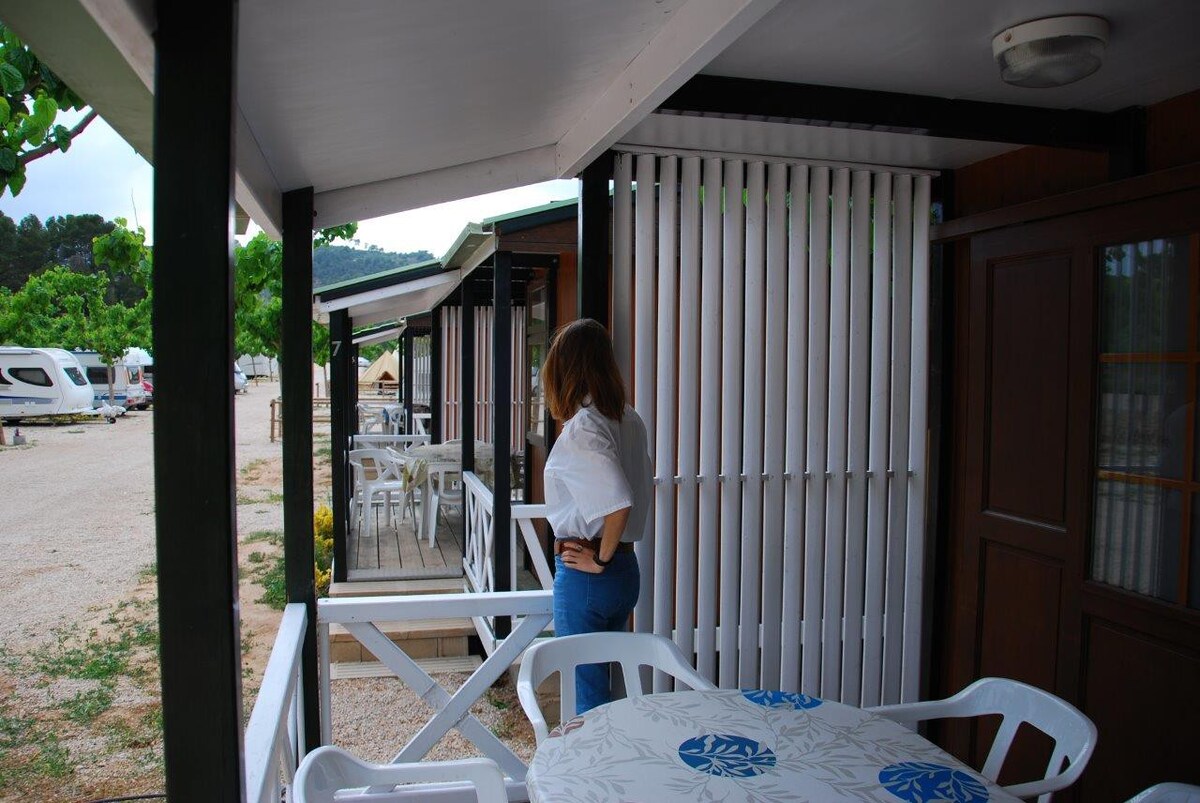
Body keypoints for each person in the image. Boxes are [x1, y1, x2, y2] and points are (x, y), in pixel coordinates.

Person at [541, 318, 652, 714]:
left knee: (584, 694)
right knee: (608, 690)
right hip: (624, 571)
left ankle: (586, 773)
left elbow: (619, 501)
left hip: (590, 569)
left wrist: (599, 558)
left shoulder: (585, 427)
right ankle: (613, 767)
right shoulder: (628, 418)